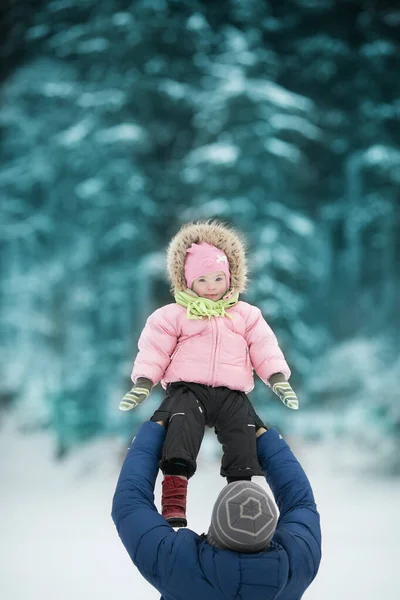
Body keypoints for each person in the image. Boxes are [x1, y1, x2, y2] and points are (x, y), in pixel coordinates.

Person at [119, 220, 299, 527]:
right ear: (187, 283)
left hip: (232, 393)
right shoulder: (173, 316)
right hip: (188, 390)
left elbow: (264, 347)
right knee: (180, 428)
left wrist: (277, 378)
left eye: (219, 278)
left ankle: (242, 497)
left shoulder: (245, 315)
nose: (213, 286)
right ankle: (175, 496)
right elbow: (154, 350)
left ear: (231, 278)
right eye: (203, 280)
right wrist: (144, 382)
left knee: (244, 435)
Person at [111, 419, 322, 600]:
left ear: (217, 527)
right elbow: (300, 503)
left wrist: (154, 430)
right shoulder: (297, 566)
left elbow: (130, 504)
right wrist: (264, 438)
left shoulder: (178, 566)